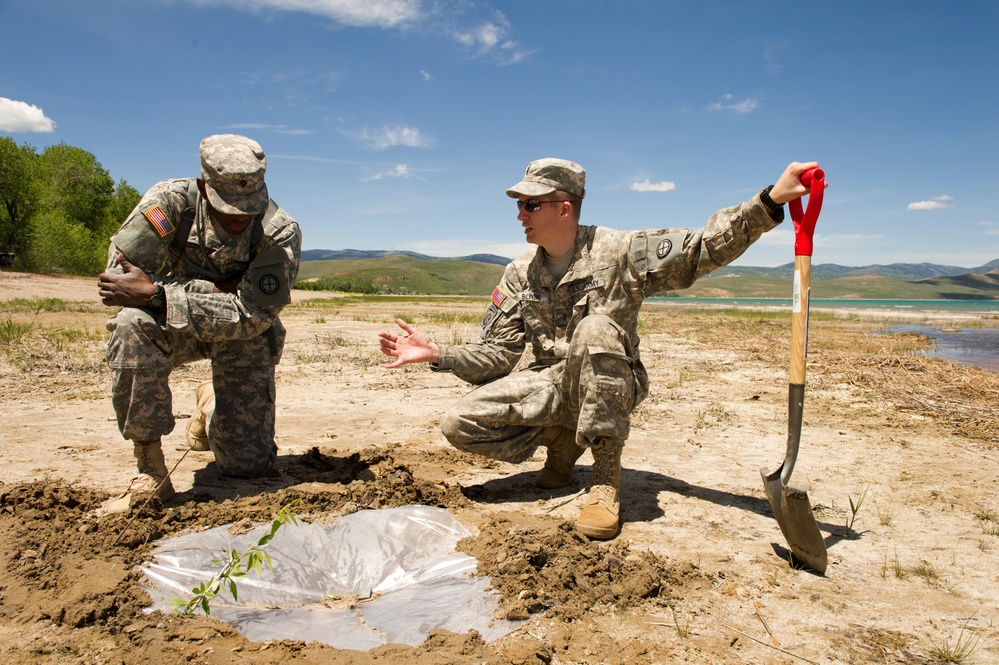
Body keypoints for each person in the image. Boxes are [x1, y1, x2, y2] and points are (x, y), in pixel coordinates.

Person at [379, 157, 821, 539]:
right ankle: (562, 442)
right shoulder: (517, 274)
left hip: (613, 378)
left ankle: (605, 480)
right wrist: (440, 354)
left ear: (564, 207)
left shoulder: (621, 251)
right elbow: (497, 356)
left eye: (531, 204)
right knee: (459, 422)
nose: (520, 214)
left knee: (594, 329)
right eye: (519, 204)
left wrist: (770, 201)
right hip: (551, 385)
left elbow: (702, 250)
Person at [97, 134, 302, 509]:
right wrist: (222, 289)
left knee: (248, 468)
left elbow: (252, 315)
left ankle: (209, 410)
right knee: (131, 323)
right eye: (228, 207)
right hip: (169, 328)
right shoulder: (169, 205)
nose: (239, 218)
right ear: (205, 187)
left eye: (247, 207)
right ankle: (149, 466)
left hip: (243, 338)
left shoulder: (278, 231)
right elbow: (118, 282)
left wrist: (158, 294)